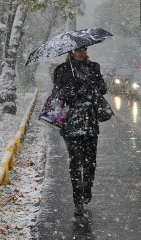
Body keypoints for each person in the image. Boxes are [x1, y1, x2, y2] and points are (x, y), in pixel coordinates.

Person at [52, 47, 107, 216]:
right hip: (71, 122)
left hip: (90, 122)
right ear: (71, 52)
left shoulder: (94, 67)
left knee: (90, 162)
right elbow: (57, 93)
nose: (82, 53)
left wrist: (92, 86)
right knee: (75, 163)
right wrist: (73, 89)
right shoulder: (62, 70)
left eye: (84, 50)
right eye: (78, 50)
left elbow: (103, 89)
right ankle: (78, 199)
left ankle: (87, 189)